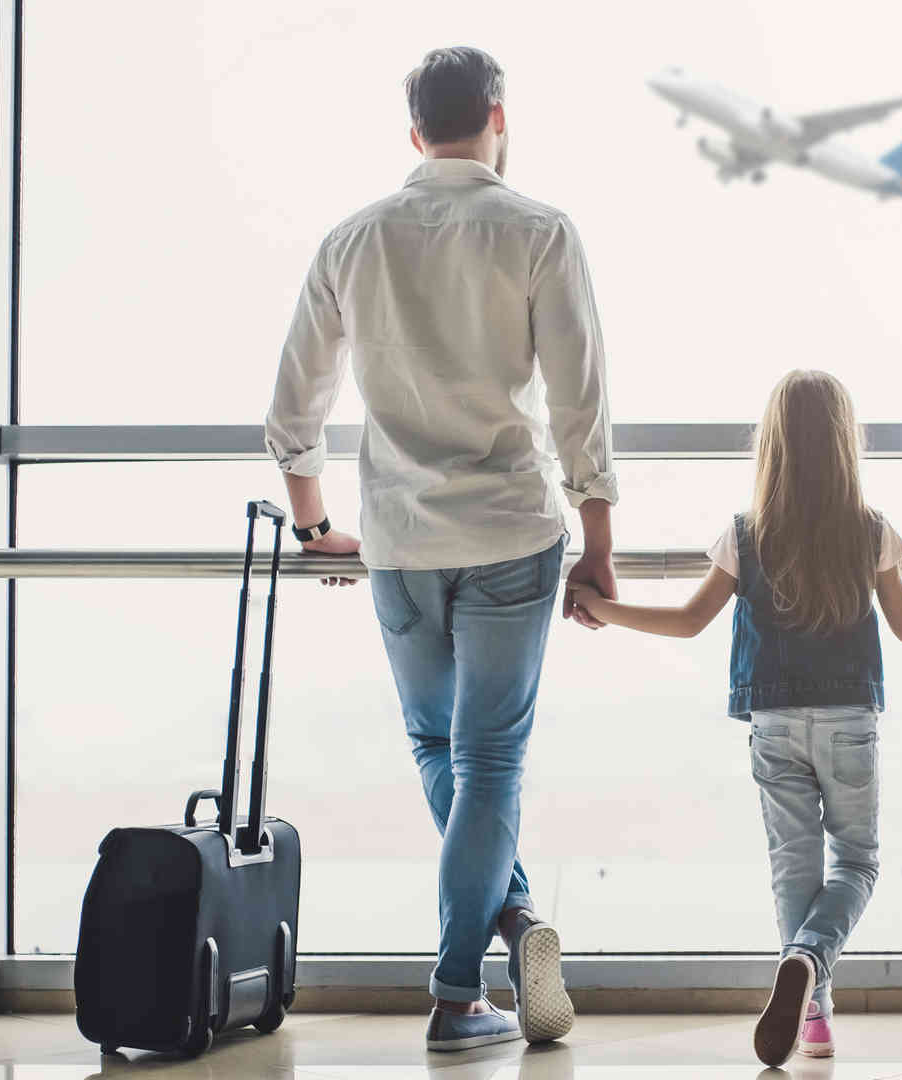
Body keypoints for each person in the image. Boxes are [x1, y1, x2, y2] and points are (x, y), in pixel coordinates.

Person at [263, 46, 619, 1052]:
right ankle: (461, 986)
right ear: (498, 117)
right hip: (512, 531)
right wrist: (599, 545)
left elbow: (294, 412)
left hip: (401, 543)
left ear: (415, 131)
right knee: (491, 758)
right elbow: (580, 404)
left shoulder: (354, 240)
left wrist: (310, 525)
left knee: (440, 749)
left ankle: (501, 930)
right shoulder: (540, 230)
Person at [569, 370, 902, 1067]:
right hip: (849, 719)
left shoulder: (746, 532)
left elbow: (689, 621)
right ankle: (810, 964)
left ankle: (813, 1019)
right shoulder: (870, 529)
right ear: (846, 443)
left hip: (774, 720)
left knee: (795, 871)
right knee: (857, 862)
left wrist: (602, 609)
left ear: (774, 446)